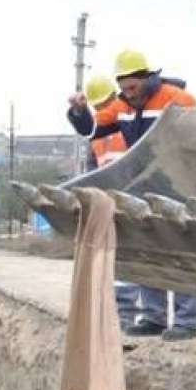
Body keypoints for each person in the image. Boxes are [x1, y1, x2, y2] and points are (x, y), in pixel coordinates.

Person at [69, 50, 196, 340]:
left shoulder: (178, 100)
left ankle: (186, 322)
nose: (129, 93)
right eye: (124, 88)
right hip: (144, 186)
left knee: (181, 251)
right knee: (148, 249)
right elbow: (93, 129)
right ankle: (154, 317)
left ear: (147, 78)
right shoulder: (122, 106)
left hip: (179, 185)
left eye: (133, 87)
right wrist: (79, 113)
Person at [67, 75, 136, 327]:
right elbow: (93, 170)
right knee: (112, 259)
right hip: (109, 201)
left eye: (105, 104)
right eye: (98, 107)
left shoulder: (127, 122)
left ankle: (126, 313)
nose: (103, 110)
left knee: (129, 258)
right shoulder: (97, 133)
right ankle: (116, 313)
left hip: (130, 198)